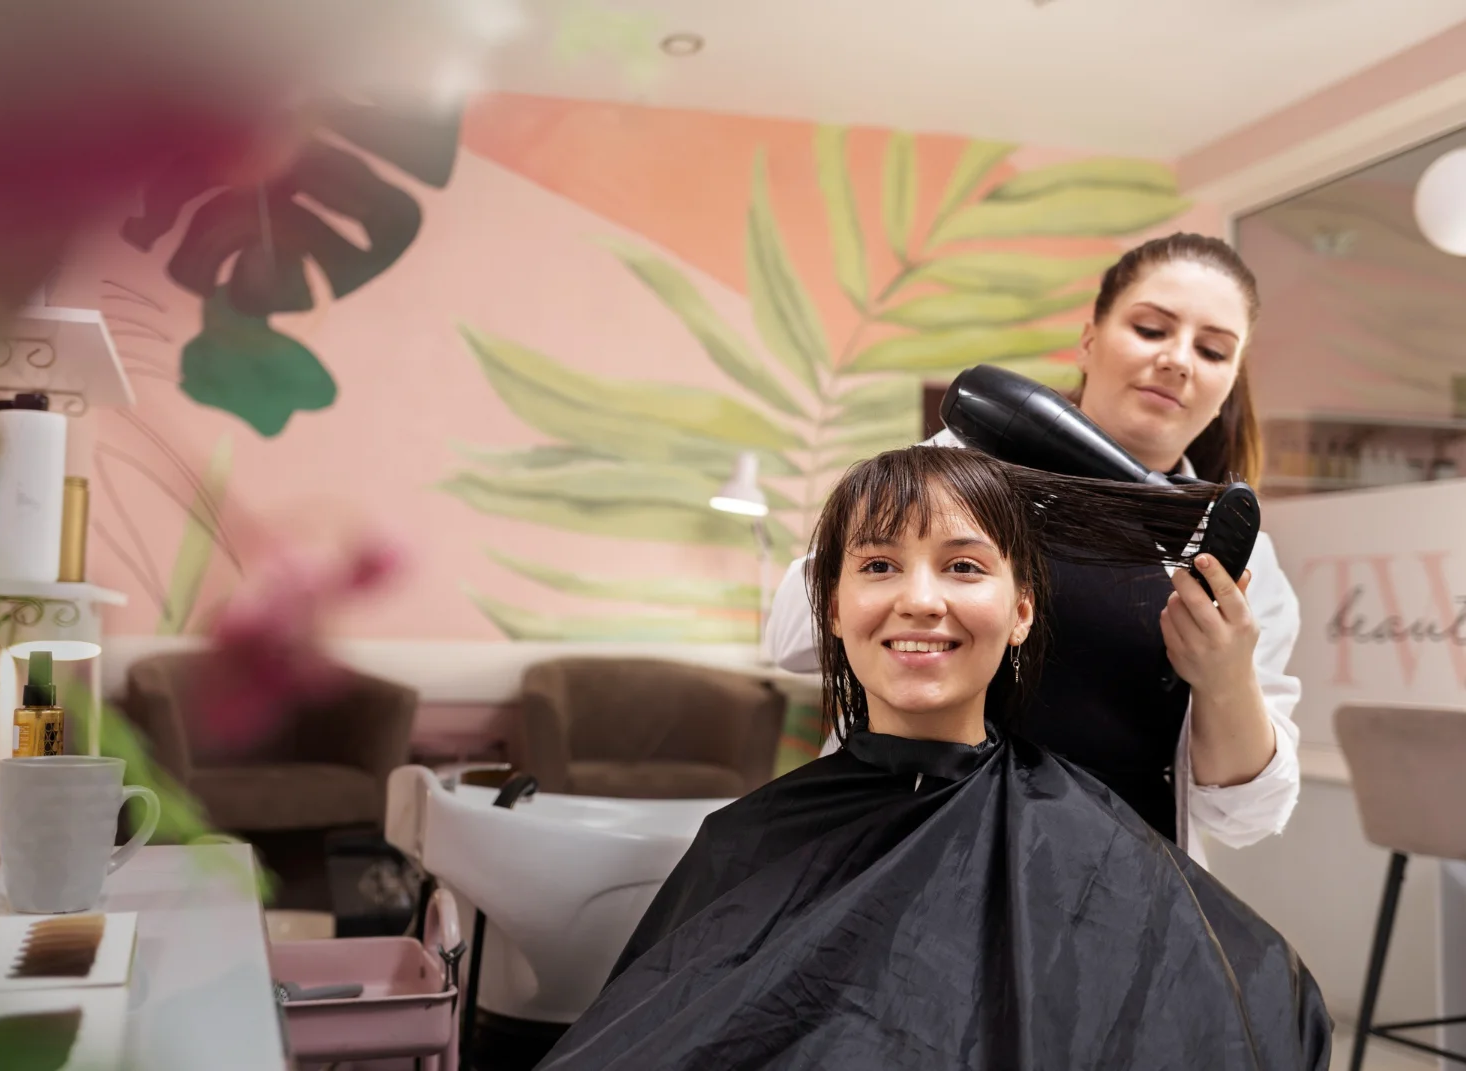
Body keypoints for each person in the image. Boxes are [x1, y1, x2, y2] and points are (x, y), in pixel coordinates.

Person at [534, 446, 1331, 1071]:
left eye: (963, 565)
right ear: (833, 607)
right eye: (879, 565)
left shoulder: (1089, 854)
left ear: (1022, 609)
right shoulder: (746, 841)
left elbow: (1272, 1007)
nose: (920, 598)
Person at [766, 232, 1300, 860]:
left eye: (1212, 350)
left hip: (1116, 887)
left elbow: (1245, 816)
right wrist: (948, 504)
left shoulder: (1239, 557)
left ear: (1229, 381)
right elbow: (791, 641)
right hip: (909, 855)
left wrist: (1225, 677)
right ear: (1089, 339)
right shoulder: (959, 471)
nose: (1178, 360)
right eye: (1152, 330)